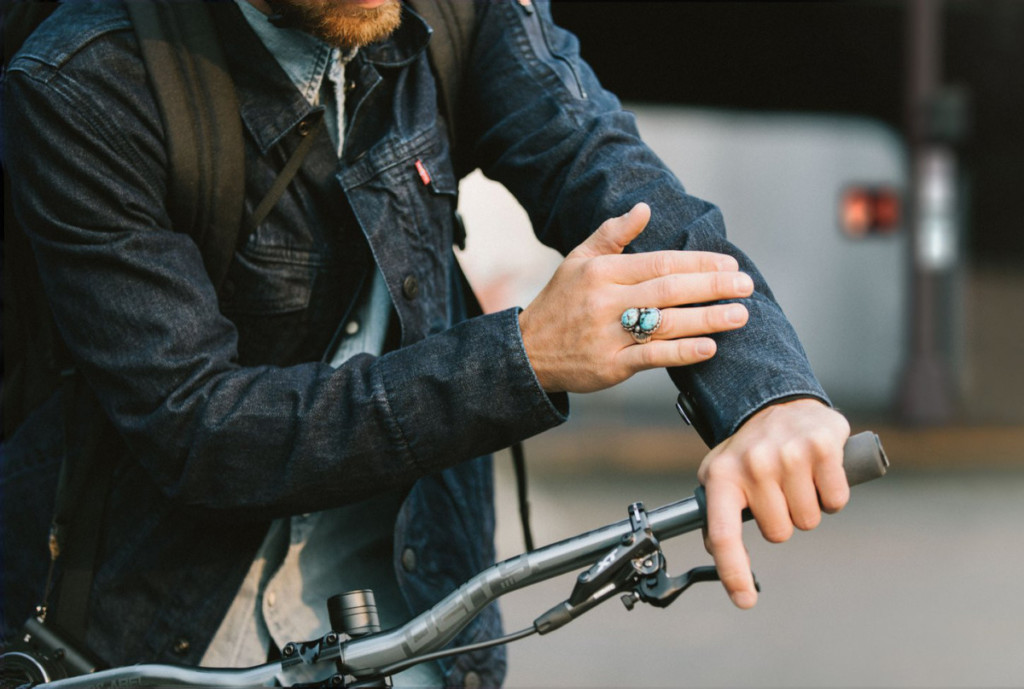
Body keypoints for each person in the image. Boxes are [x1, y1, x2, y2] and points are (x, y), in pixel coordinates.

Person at [0, 0, 850, 686]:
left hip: (416, 619)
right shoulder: (85, 80)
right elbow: (199, 428)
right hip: (162, 639)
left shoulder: (461, 13)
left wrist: (766, 395)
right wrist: (522, 357)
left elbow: (604, 166)